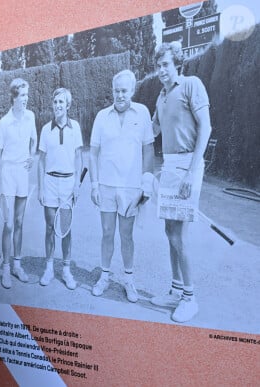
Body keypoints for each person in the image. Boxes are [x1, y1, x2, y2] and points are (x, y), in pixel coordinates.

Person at [150, 42, 212, 323]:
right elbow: (152, 130)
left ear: (177, 64)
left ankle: (190, 298)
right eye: (158, 65)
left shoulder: (191, 84)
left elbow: (206, 127)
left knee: (180, 235)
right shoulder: (161, 97)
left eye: (166, 64)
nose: (161, 70)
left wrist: (192, 170)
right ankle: (176, 291)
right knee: (169, 230)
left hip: (189, 165)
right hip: (170, 165)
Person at [89, 70, 154, 303]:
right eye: (116, 90)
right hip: (106, 186)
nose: (120, 95)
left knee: (126, 236)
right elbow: (93, 152)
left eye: (124, 90)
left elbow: (148, 149)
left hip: (130, 188)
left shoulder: (143, 113)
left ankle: (128, 280)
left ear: (132, 91)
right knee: (107, 233)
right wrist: (94, 184)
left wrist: (146, 182)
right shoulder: (101, 116)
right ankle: (104, 276)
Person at [0, 77, 37, 289]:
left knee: (19, 223)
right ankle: (7, 268)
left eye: (27, 95)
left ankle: (17, 266)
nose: (26, 99)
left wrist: (32, 155)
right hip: (7, 174)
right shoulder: (4, 122)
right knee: (8, 224)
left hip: (23, 175)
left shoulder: (31, 117)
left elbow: (34, 140)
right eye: (22, 96)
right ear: (14, 98)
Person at [37, 88, 83, 289]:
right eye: (55, 102)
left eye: (61, 102)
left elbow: (80, 157)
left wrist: (77, 185)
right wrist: (39, 188)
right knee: (49, 228)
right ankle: (49, 268)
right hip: (49, 183)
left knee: (65, 229)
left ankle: (66, 270)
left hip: (67, 184)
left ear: (68, 105)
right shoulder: (46, 129)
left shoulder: (76, 128)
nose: (57, 105)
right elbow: (41, 161)